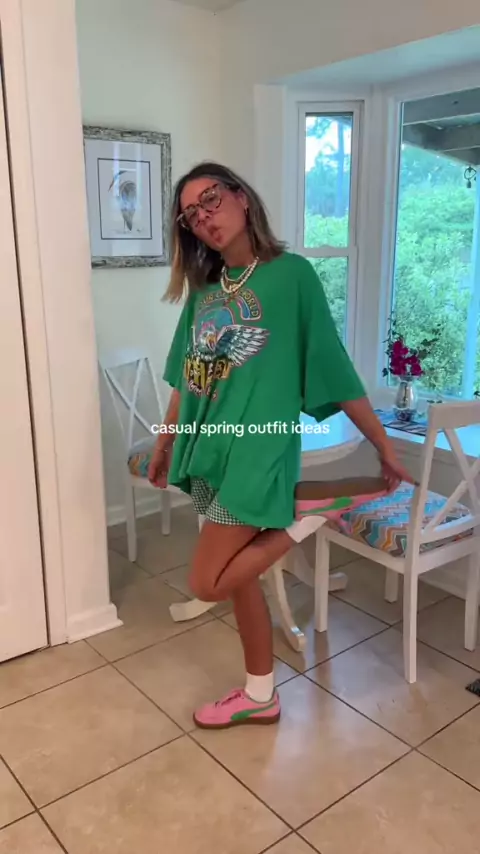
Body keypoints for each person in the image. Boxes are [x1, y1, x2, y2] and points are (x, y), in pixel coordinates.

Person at [148, 162, 415, 730]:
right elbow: (186, 378)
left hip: (258, 450)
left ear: (241, 198)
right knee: (238, 575)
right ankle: (260, 694)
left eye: (211, 200)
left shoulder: (292, 276)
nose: (204, 218)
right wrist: (166, 442)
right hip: (211, 447)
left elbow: (332, 365)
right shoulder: (206, 290)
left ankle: (309, 513)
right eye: (191, 215)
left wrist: (383, 444)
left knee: (206, 581)